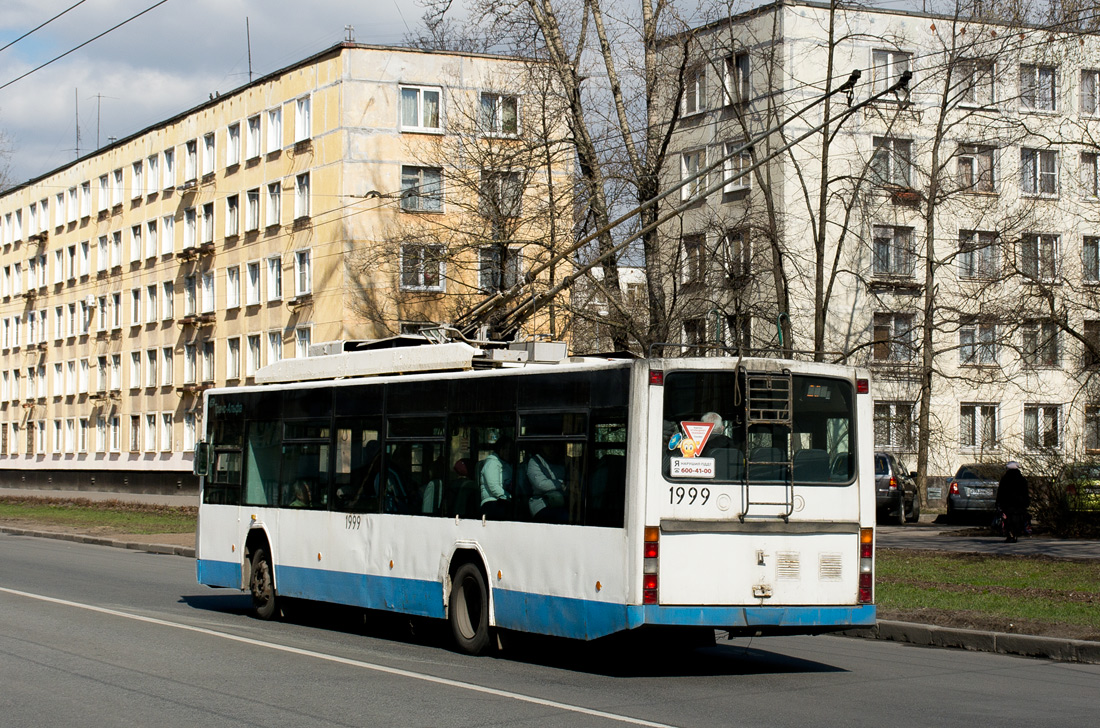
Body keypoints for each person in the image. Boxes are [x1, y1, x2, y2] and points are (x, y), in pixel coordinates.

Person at [525, 443, 566, 519]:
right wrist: (562, 484)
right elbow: (541, 484)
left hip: (563, 502)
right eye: (548, 445)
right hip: (541, 504)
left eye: (554, 445)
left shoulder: (561, 461)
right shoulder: (535, 461)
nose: (552, 448)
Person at [479, 436, 513, 519]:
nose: (507, 452)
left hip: (503, 500)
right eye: (504, 448)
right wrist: (510, 497)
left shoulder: (508, 465)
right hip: (492, 502)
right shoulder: (492, 463)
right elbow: (494, 487)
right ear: (499, 449)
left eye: (510, 449)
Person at [996, 461, 1030, 543]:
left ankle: (1009, 535)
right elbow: (1025, 492)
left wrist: (998, 503)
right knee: (1017, 520)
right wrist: (1026, 502)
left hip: (1007, 504)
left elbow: (1000, 492)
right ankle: (1015, 535)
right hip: (1019, 504)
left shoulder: (1005, 479)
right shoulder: (1021, 479)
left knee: (1008, 520)